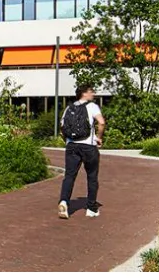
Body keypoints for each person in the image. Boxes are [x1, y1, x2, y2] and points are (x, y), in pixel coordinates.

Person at [56, 85, 104, 219]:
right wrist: (99, 138)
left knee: (69, 176)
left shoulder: (69, 108)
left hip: (71, 146)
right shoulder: (92, 106)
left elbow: (62, 127)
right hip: (88, 146)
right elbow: (101, 122)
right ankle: (91, 208)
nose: (93, 94)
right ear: (84, 93)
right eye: (91, 91)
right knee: (92, 177)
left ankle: (64, 201)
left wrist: (67, 140)